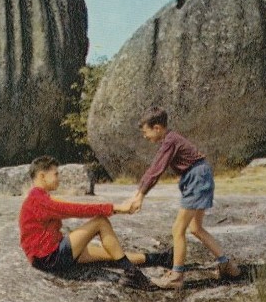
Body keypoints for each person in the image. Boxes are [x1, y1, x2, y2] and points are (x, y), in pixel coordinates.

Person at [127, 107, 240, 290]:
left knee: (178, 230)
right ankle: (227, 265)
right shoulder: (171, 138)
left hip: (197, 178)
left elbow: (157, 168)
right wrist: (139, 191)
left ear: (157, 128)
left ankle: (176, 276)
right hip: (200, 175)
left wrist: (141, 194)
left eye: (145, 131)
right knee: (195, 228)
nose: (144, 136)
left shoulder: (169, 141)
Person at [19, 155, 170, 290]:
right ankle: (132, 274)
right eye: (56, 174)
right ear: (42, 176)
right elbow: (77, 210)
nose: (59, 178)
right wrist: (116, 208)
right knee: (100, 222)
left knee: (113, 254)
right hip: (50, 257)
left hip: (48, 256)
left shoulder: (38, 198)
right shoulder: (38, 200)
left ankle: (160, 258)